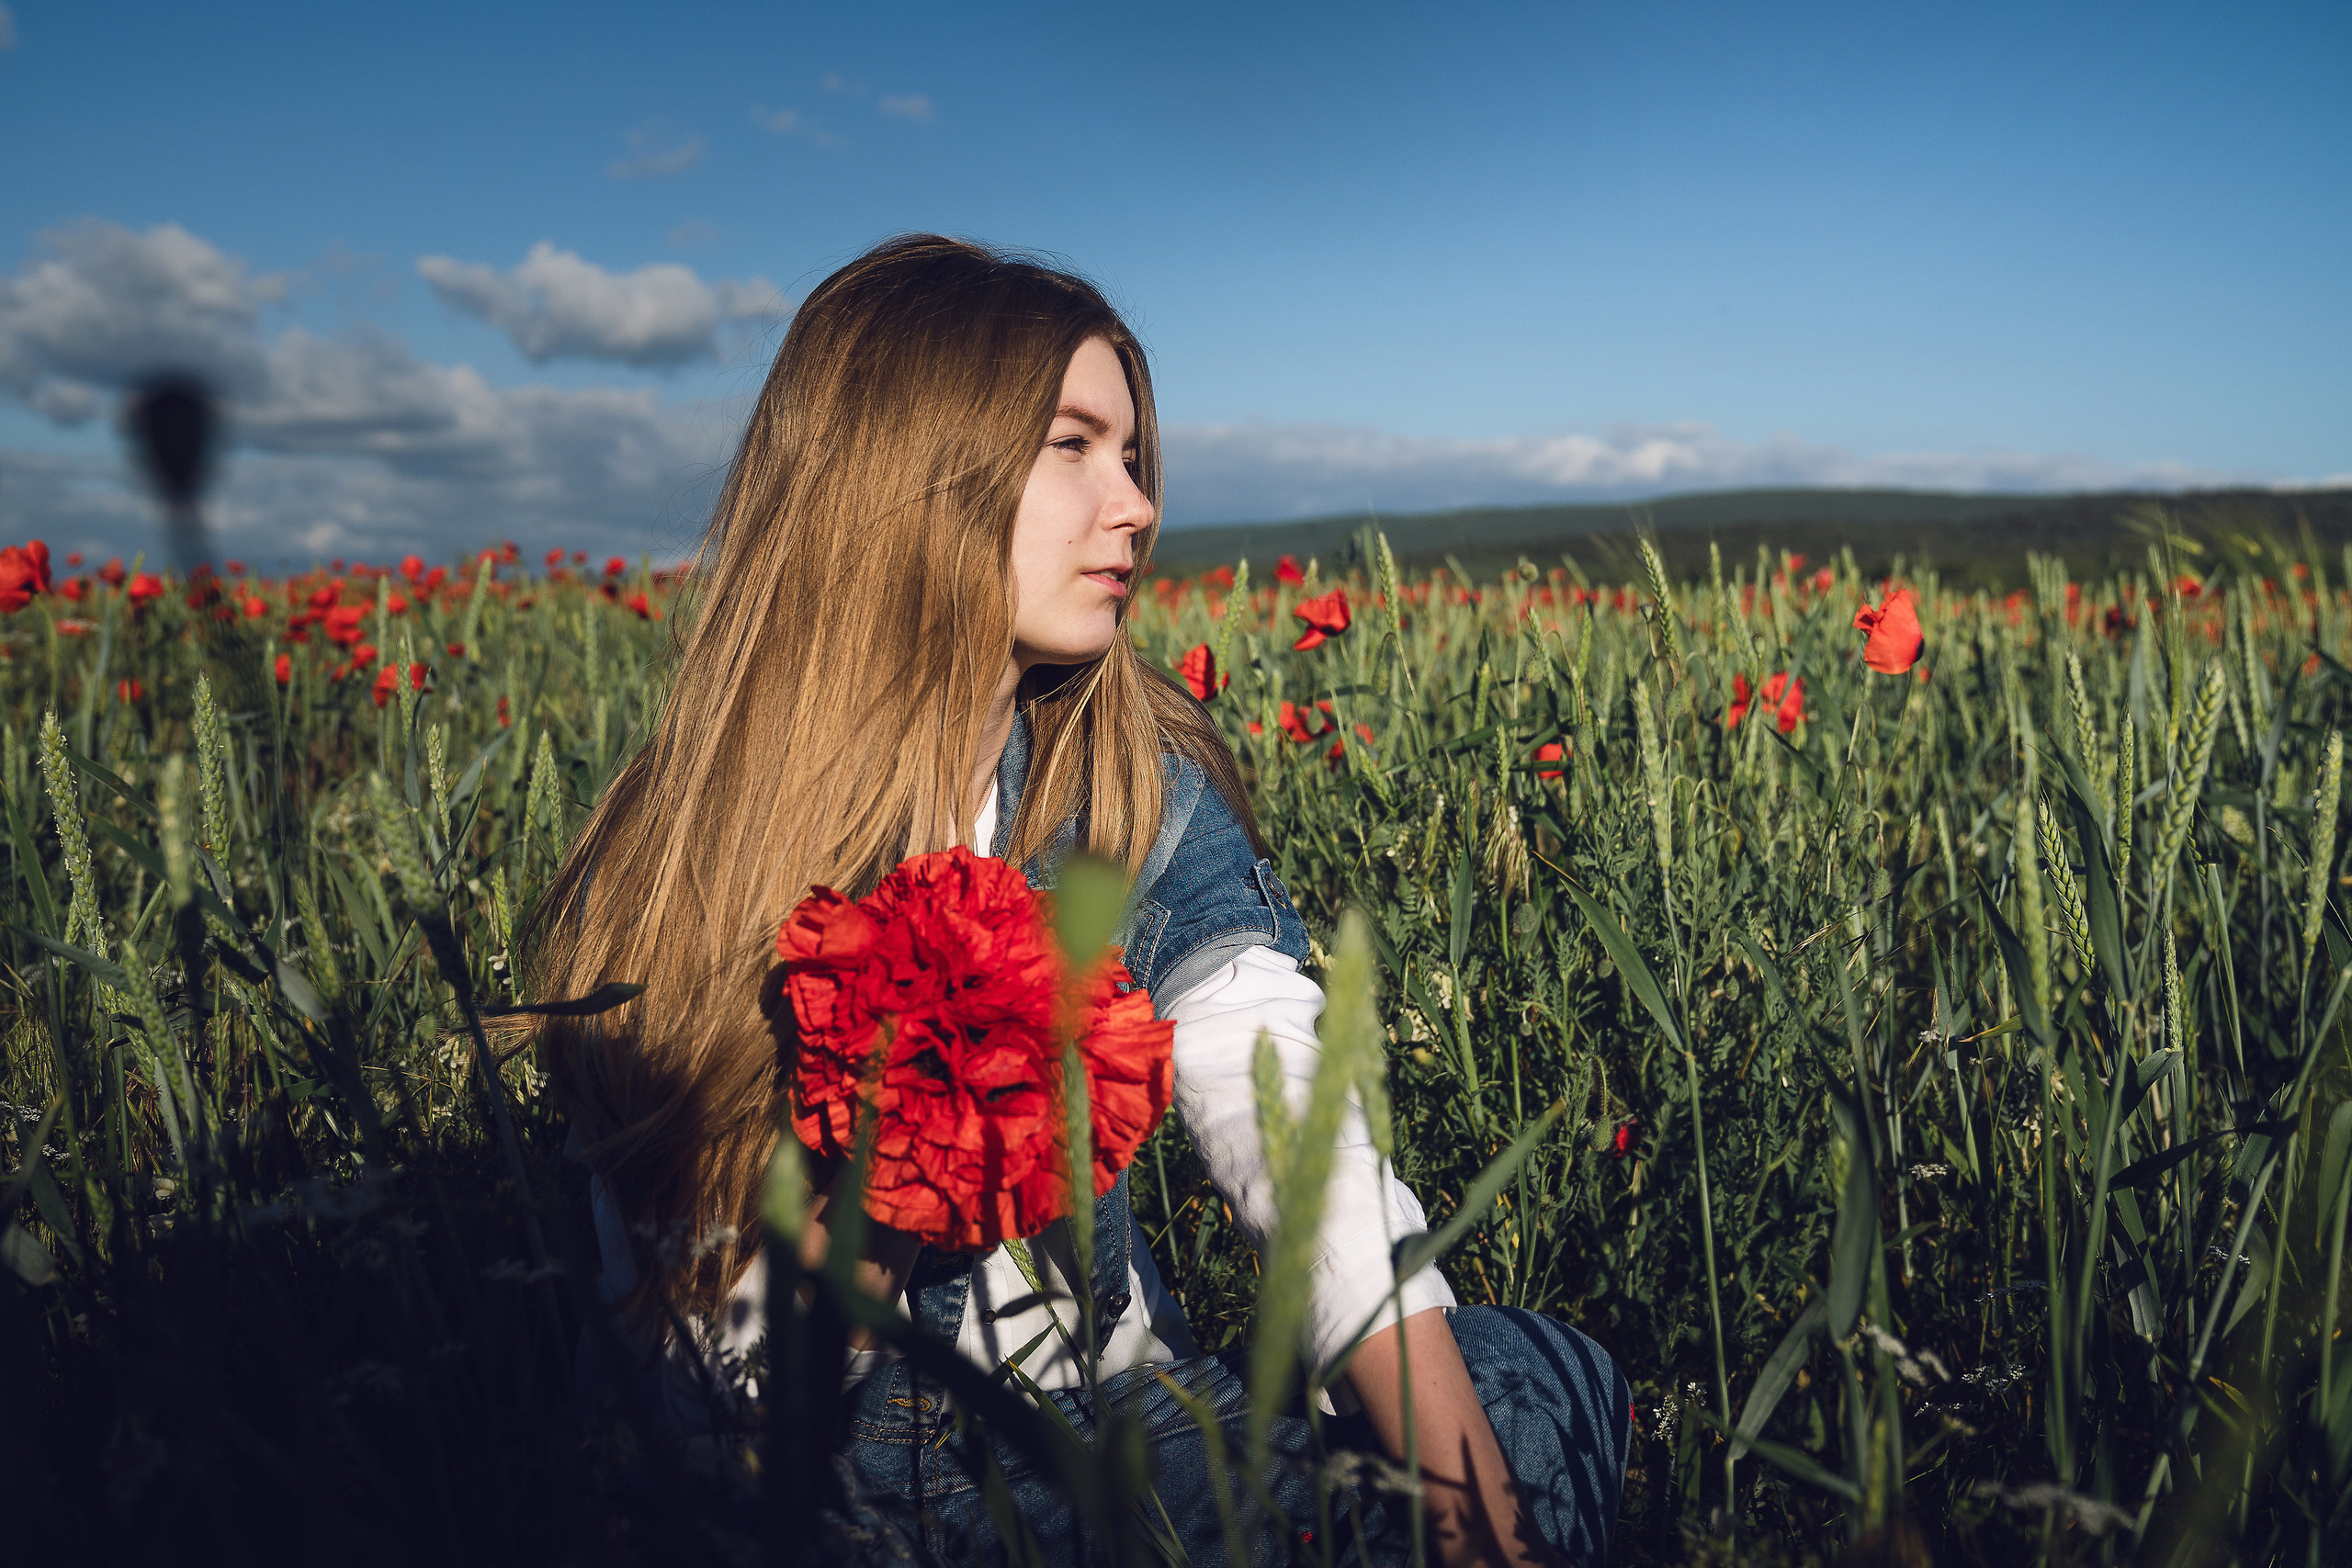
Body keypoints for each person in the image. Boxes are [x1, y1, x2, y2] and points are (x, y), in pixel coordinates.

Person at [536, 233, 1629, 1565]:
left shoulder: (1125, 779)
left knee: (1531, 1389)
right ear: (912, 474)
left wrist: (1477, 1530)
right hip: (823, 1494)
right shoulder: (685, 859)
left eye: (1134, 458)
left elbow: (1284, 1108)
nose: (1137, 507)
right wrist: (919, 1148)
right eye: (1074, 446)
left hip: (1116, 1431)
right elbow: (722, 1397)